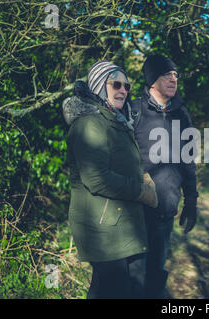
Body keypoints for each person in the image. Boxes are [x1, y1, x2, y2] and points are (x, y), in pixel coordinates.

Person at [62, 60, 158, 299]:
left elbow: (122, 163)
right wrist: (141, 191)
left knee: (132, 290)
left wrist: (144, 177)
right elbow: (96, 178)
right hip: (104, 229)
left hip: (125, 225)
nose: (123, 90)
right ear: (98, 86)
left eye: (126, 85)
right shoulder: (89, 124)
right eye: (116, 84)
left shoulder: (117, 120)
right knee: (111, 291)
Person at [131, 54, 199, 298]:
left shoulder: (182, 114)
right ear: (152, 80)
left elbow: (188, 162)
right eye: (167, 74)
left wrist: (191, 201)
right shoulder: (133, 111)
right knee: (133, 279)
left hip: (165, 211)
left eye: (176, 75)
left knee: (156, 277)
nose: (174, 79)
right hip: (134, 212)